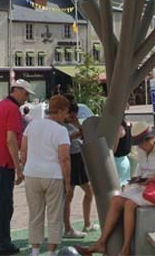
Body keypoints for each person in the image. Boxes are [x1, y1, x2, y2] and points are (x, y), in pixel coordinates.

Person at [80, 122, 155, 256]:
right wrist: (137, 180)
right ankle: (102, 242)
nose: (140, 147)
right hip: (148, 187)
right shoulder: (142, 149)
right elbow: (142, 170)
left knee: (129, 204)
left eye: (141, 143)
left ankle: (126, 249)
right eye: (138, 144)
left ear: (151, 139)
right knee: (116, 200)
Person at [0, 79, 33, 255]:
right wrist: (18, 167)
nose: (26, 99)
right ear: (17, 91)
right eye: (26, 94)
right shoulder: (13, 110)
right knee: (5, 204)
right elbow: (11, 140)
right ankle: (4, 243)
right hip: (3, 161)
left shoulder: (0, 105)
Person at [21, 95, 72, 256]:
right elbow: (64, 158)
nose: (67, 116)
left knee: (35, 214)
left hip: (32, 174)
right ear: (61, 111)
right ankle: (51, 252)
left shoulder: (32, 125)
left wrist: (24, 168)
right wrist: (68, 182)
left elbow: (23, 151)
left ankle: (35, 250)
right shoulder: (61, 130)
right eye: (66, 113)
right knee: (54, 215)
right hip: (53, 175)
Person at [62, 99, 94, 239]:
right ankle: (68, 228)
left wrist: (77, 125)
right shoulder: (59, 124)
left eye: (75, 115)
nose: (73, 118)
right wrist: (78, 132)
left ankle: (87, 223)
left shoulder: (73, 122)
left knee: (89, 192)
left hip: (78, 158)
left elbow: (83, 133)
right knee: (68, 195)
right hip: (69, 158)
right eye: (72, 115)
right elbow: (65, 139)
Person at [113, 118, 133, 188]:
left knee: (116, 188)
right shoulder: (128, 123)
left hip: (117, 162)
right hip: (125, 161)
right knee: (124, 187)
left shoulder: (119, 128)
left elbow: (113, 150)